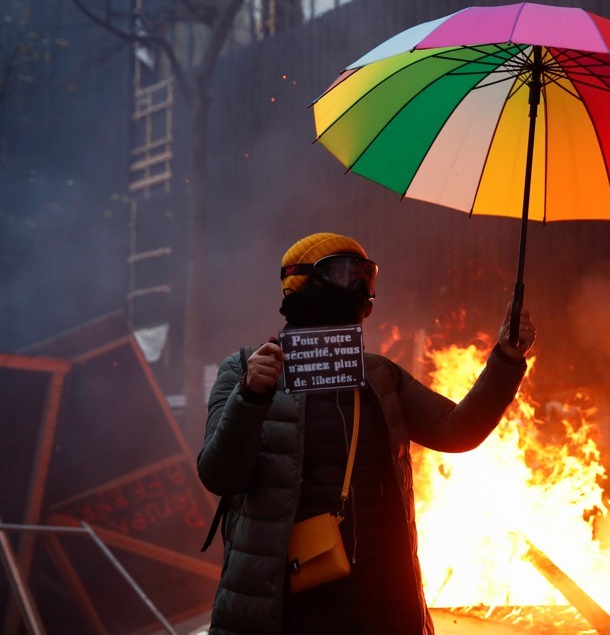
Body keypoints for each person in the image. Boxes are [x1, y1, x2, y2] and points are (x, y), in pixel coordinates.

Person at [197, 233, 536, 634]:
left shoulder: (378, 374)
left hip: (378, 601)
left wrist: (506, 360)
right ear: (300, 281)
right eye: (343, 273)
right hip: (283, 604)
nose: (358, 288)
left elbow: (456, 430)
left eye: (366, 276)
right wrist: (251, 397)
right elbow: (220, 475)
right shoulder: (245, 369)